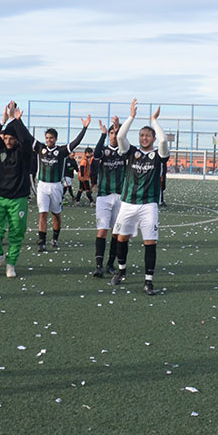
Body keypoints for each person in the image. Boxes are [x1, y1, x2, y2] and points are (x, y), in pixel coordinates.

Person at [110, 100, 170, 296]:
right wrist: (132, 117)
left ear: (152, 137)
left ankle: (148, 281)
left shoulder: (158, 154)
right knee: (121, 238)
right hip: (128, 203)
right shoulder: (131, 152)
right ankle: (121, 271)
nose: (144, 138)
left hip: (148, 205)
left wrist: (154, 121)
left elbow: (163, 141)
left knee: (150, 242)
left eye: (148, 135)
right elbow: (120, 135)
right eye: (142, 135)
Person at [0, 101, 35, 277]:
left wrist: (16, 121)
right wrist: (3, 121)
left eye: (10, 138)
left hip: (18, 198)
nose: (7, 141)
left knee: (16, 233)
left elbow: (26, 139)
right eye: (5, 137)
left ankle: (11, 263)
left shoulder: (24, 151)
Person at [30, 117, 90, 252]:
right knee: (42, 214)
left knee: (56, 214)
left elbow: (75, 142)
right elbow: (26, 136)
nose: (48, 140)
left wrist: (84, 128)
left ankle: (55, 238)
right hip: (43, 186)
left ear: (55, 139)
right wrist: (17, 120)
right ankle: (42, 242)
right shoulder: (40, 148)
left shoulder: (62, 151)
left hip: (56, 186)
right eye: (47, 138)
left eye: (51, 138)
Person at [92, 118, 125, 277]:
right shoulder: (103, 150)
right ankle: (98, 266)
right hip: (103, 196)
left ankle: (110, 264)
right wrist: (102, 134)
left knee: (116, 232)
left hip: (120, 196)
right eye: (112, 133)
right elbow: (96, 154)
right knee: (102, 231)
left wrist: (121, 132)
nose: (114, 135)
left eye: (116, 133)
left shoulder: (125, 152)